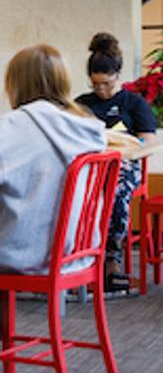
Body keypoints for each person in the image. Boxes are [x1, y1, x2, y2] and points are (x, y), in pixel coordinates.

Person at [0, 45, 107, 274]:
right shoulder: (87, 128)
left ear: (14, 83)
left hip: (20, 254)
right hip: (76, 252)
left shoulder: (9, 128)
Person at [75, 32, 158, 293]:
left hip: (124, 166)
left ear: (117, 75)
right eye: (95, 84)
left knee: (116, 189)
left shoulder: (133, 103)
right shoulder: (82, 105)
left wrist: (124, 144)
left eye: (106, 84)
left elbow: (147, 142)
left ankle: (111, 258)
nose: (101, 90)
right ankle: (75, 257)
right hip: (92, 166)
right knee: (70, 189)